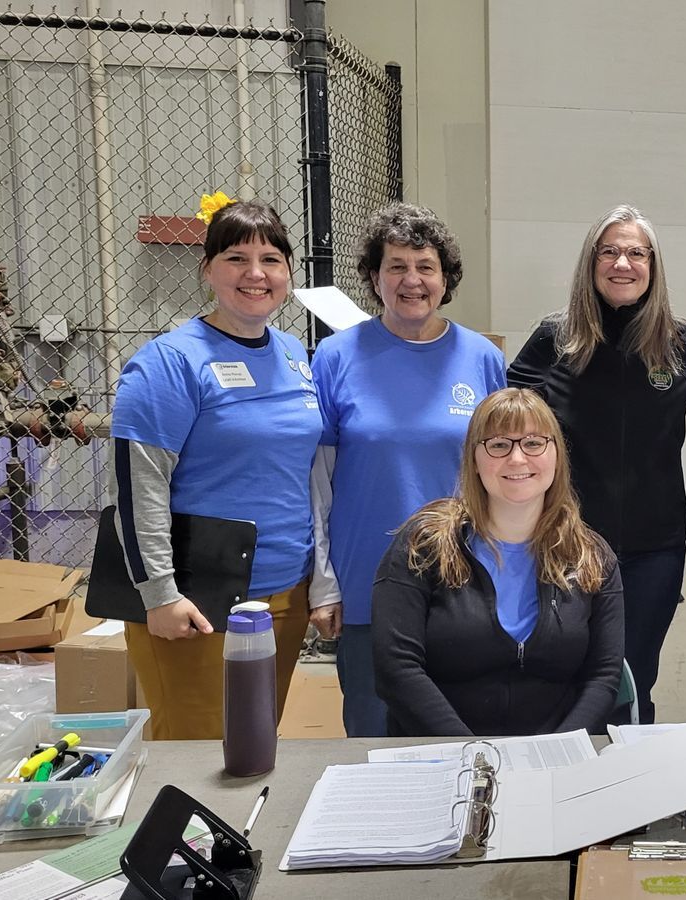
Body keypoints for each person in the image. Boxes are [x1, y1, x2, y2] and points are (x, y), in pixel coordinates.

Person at [109, 198, 321, 740]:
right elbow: (141, 484)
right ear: (207, 269)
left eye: (272, 259)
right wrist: (159, 592)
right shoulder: (170, 361)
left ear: (289, 273)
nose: (256, 274)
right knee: (195, 756)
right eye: (236, 258)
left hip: (283, 592)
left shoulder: (294, 352)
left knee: (253, 744)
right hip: (198, 600)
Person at [508, 205, 686, 724]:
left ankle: (631, 784)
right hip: (563, 543)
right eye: (610, 251)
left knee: (634, 675)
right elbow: (504, 431)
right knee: (567, 672)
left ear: (653, 265)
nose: (622, 263)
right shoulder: (553, 339)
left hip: (655, 549)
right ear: (591, 262)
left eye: (636, 253)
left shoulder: (680, 343)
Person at [309, 202, 506, 737]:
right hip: (367, 580)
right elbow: (319, 482)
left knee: (461, 735)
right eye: (396, 266)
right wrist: (325, 584)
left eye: (425, 266)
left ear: (446, 278)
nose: (411, 280)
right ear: (374, 277)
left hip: (463, 581)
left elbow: (505, 478)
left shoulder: (482, 359)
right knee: (371, 735)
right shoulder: (335, 357)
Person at [372, 388, 624, 736]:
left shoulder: (591, 557)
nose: (518, 459)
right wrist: (475, 756)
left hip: (554, 758)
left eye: (534, 443)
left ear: (556, 455)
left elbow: (603, 676)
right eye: (498, 445)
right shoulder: (423, 545)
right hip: (443, 754)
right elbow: (396, 671)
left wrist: (563, 753)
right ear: (474, 459)